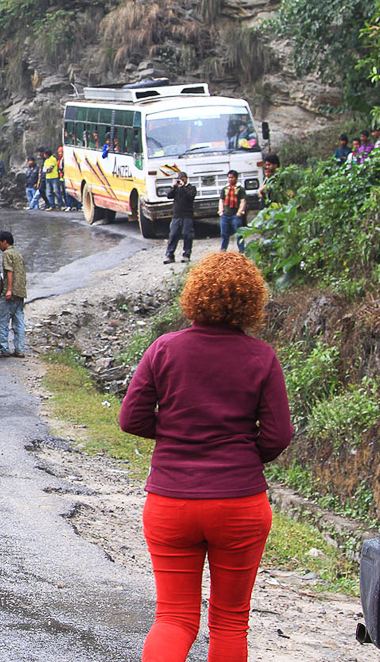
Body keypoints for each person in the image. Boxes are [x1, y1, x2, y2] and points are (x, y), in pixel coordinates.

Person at [119, 252, 294, 662]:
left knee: (174, 618)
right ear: (251, 302)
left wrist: (176, 433)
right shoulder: (261, 357)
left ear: (195, 295)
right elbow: (277, 436)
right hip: (239, 503)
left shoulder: (164, 349)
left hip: (170, 503)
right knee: (230, 621)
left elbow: (131, 418)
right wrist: (245, 456)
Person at [0, 231, 26, 358]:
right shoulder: (17, 253)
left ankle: (3, 348)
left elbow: (9, 272)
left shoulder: (7, 254)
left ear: (5, 241)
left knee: (3, 321)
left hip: (11, 292)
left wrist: (9, 290)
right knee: (18, 321)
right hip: (20, 291)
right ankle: (20, 349)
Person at [163, 172, 197, 264]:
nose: (182, 180)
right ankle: (169, 255)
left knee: (187, 234)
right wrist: (174, 186)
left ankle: (186, 254)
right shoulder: (176, 189)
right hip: (177, 215)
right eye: (180, 178)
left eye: (184, 178)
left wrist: (184, 187)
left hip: (187, 215)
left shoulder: (191, 188)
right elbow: (169, 196)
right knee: (173, 235)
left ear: (186, 179)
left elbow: (191, 196)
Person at [218, 171, 247, 253]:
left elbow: (243, 200)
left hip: (235, 215)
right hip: (225, 215)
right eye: (229, 177)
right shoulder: (225, 189)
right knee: (224, 233)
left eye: (232, 177)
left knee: (239, 233)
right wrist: (221, 211)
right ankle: (223, 249)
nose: (230, 179)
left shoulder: (240, 189)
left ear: (236, 178)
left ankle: (241, 249)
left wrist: (240, 211)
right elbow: (221, 200)